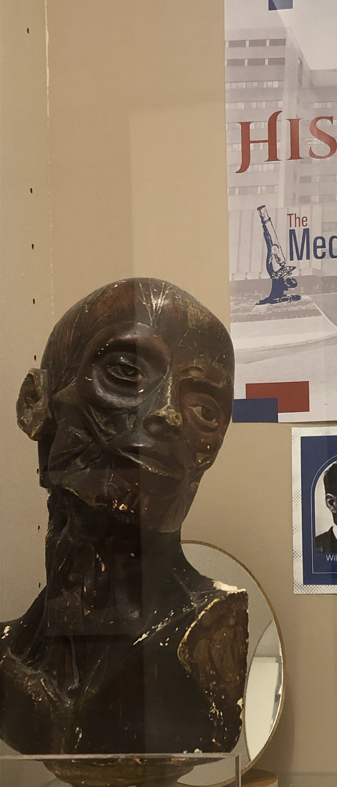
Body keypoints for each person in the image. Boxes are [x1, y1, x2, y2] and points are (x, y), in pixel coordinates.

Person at [2, 278, 248, 754]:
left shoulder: (202, 644)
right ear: (37, 403)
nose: (169, 415)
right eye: (125, 373)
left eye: (204, 408)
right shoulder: (10, 653)